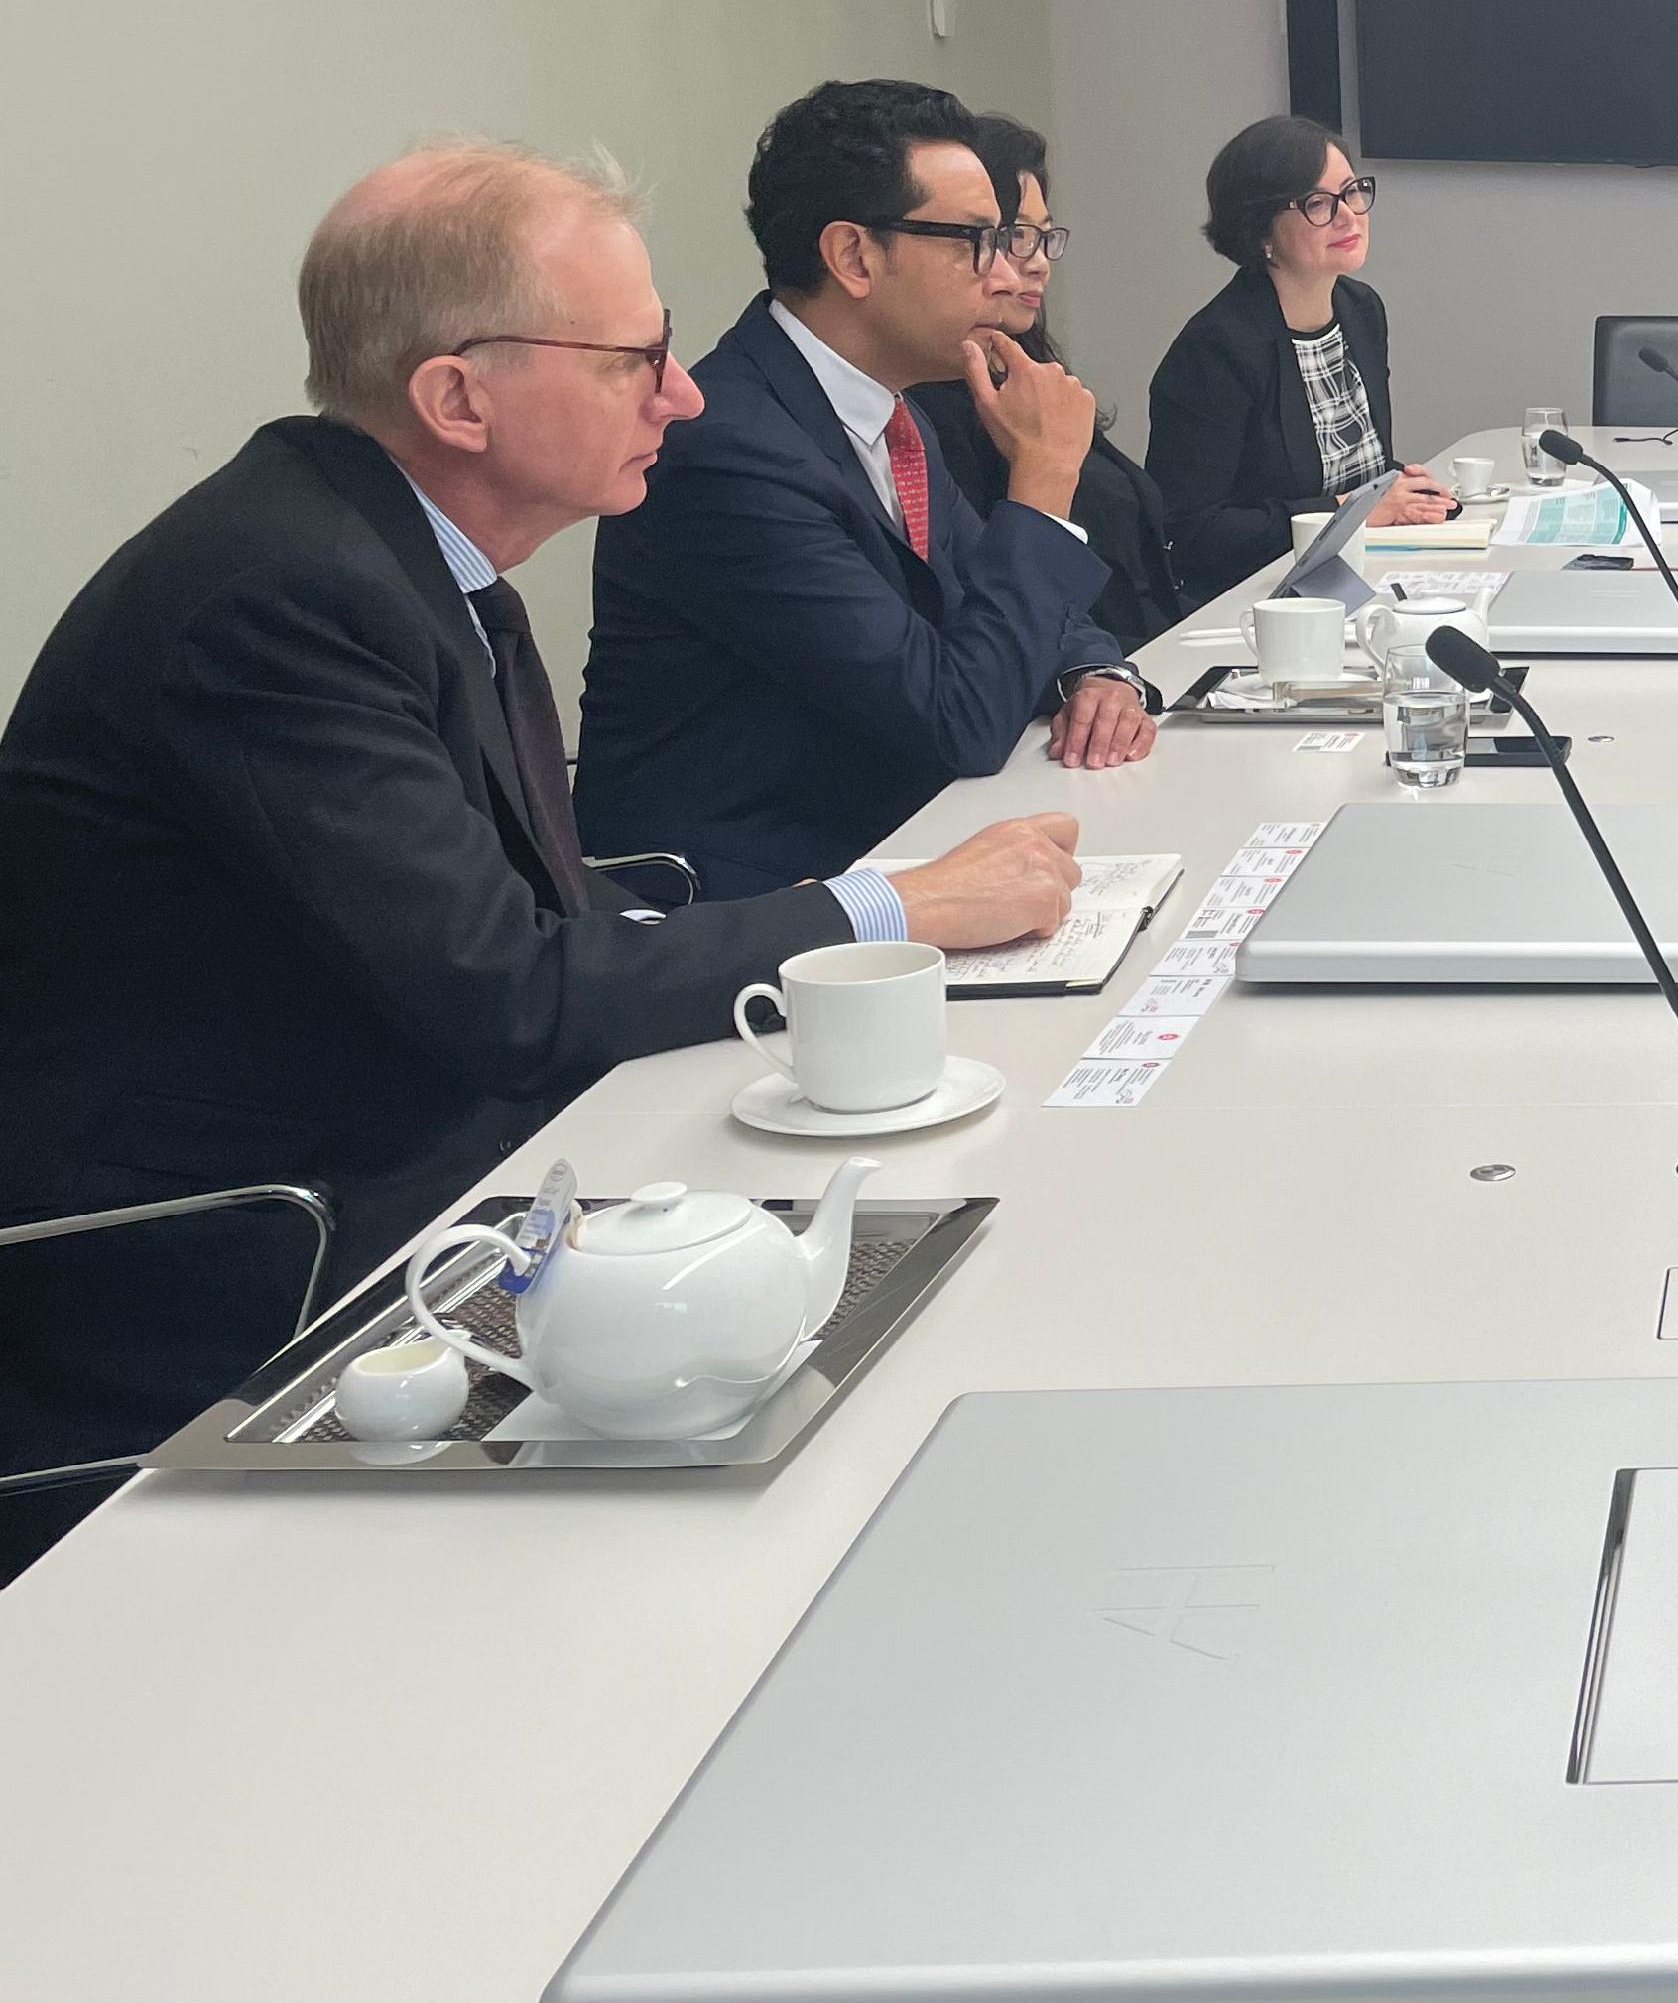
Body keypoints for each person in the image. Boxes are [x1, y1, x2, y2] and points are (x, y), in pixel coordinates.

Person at [0, 142, 1080, 1541]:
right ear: (459, 396)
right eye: (637, 359)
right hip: (251, 1258)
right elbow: (508, 990)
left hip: (418, 1158)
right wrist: (891, 911)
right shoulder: (280, 598)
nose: (682, 396)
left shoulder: (407, 561)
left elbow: (527, 936)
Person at [578, 79, 1158, 898]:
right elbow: (958, 719)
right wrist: (1043, 485)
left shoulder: (892, 414)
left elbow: (990, 601)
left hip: (895, 848)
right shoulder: (729, 452)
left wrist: (1097, 675)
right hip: (746, 907)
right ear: (853, 257)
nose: (1005, 274)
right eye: (973, 241)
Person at [909, 113, 1188, 650]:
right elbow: (983, 610)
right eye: (1014, 237)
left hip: (1132, 663)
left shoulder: (1028, 369)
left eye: (1042, 238)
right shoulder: (928, 404)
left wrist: (1099, 669)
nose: (1037, 266)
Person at [1148, 115, 1455, 599]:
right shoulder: (1216, 350)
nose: (1348, 215)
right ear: (1261, 230)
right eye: (1318, 204)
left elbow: (1354, 470)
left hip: (1357, 572)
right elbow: (1191, 533)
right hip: (1257, 600)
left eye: (1353, 191)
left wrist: (1402, 492)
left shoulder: (1360, 310)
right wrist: (1345, 510)